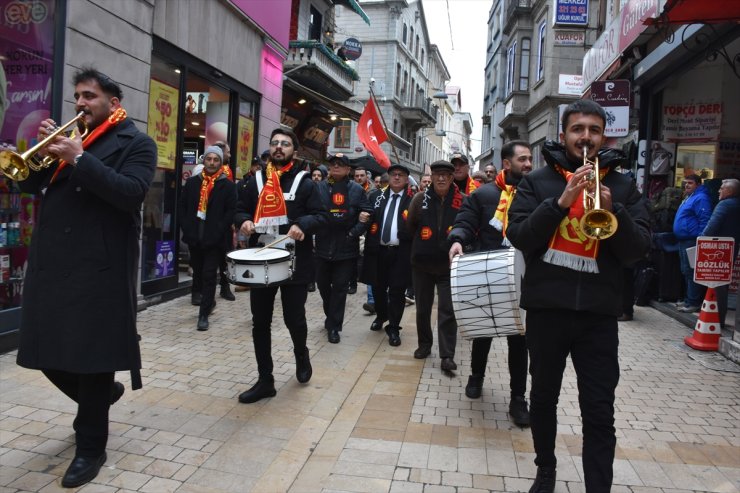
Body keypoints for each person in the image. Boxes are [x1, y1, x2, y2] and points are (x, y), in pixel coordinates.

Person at [16, 67, 156, 488]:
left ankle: (91, 446)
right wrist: (39, 153)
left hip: (100, 266)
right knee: (42, 348)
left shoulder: (138, 143)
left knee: (91, 359)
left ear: (113, 103)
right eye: (77, 96)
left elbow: (130, 193)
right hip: (54, 262)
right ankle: (99, 397)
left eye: (89, 96)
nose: (80, 103)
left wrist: (78, 157)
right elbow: (28, 185)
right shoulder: (69, 141)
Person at [506, 100, 651, 493]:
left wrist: (612, 208)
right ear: (563, 135)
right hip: (547, 311)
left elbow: (637, 250)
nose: (585, 137)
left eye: (593, 130)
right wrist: (561, 203)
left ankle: (598, 486)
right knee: (543, 398)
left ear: (604, 136)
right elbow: (518, 236)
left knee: (600, 410)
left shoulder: (622, 185)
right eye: (577, 129)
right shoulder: (536, 182)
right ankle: (546, 469)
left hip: (598, 316)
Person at [234, 128, 328, 403]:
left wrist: (302, 225)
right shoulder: (256, 180)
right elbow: (239, 208)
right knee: (259, 322)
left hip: (294, 264)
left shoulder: (305, 182)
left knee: (293, 318)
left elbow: (320, 216)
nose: (278, 147)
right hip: (261, 260)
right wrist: (243, 221)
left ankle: (302, 353)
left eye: (284, 144)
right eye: (274, 142)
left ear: (294, 152)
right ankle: (266, 380)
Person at [448, 140, 533, 427]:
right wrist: (458, 240)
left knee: (520, 341)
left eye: (530, 158)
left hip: (524, 278)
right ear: (507, 164)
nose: (529, 164)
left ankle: (518, 398)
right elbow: (465, 221)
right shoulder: (483, 194)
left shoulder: (535, 194)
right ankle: (476, 376)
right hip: (487, 274)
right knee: (483, 331)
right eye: (523, 159)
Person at [408, 160, 462, 371]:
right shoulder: (419, 199)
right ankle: (424, 345)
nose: (441, 178)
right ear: (432, 177)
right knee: (422, 308)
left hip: (449, 266)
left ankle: (447, 355)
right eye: (437, 174)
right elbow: (411, 226)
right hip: (422, 265)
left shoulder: (462, 201)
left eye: (445, 175)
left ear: (451, 178)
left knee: (448, 310)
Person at [315, 153, 372, 343]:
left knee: (340, 288)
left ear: (349, 170)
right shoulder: (320, 187)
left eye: (341, 164)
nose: (336, 167)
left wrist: (353, 233)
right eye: (333, 164)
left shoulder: (356, 190)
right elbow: (312, 211)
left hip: (346, 248)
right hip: (323, 246)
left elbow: (367, 213)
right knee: (323, 287)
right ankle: (330, 315)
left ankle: (334, 326)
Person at [179, 146, 236, 330]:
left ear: (220, 162)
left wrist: (219, 231)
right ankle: (208, 302)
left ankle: (203, 314)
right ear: (204, 161)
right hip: (195, 237)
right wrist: (187, 228)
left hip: (215, 240)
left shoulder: (226, 185)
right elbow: (183, 207)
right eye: (209, 159)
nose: (212, 162)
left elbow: (230, 212)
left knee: (209, 275)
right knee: (199, 271)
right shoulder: (193, 183)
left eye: (216, 159)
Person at [362, 163, 414, 347]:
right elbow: (367, 217)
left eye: (401, 175)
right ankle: (381, 315)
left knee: (397, 291)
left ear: (406, 179)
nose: (397, 177)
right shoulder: (377, 196)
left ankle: (393, 327)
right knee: (377, 287)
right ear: (389, 177)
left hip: (401, 252)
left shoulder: (413, 199)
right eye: (393, 174)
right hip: (378, 251)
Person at [702, 178, 740, 329]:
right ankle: (718, 318)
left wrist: (701, 239)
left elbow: (712, 226)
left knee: (716, 284)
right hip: (731, 248)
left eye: (722, 188)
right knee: (723, 282)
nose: (718, 190)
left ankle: (715, 319)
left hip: (716, 249)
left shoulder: (725, 205)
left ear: (729, 191)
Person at [673, 174, 712, 312]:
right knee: (686, 271)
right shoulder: (690, 197)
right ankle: (688, 300)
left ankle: (694, 302)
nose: (686, 185)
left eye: (690, 183)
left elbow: (705, 219)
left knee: (692, 271)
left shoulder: (701, 198)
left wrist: (700, 239)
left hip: (692, 240)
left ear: (698, 184)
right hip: (684, 240)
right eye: (685, 183)